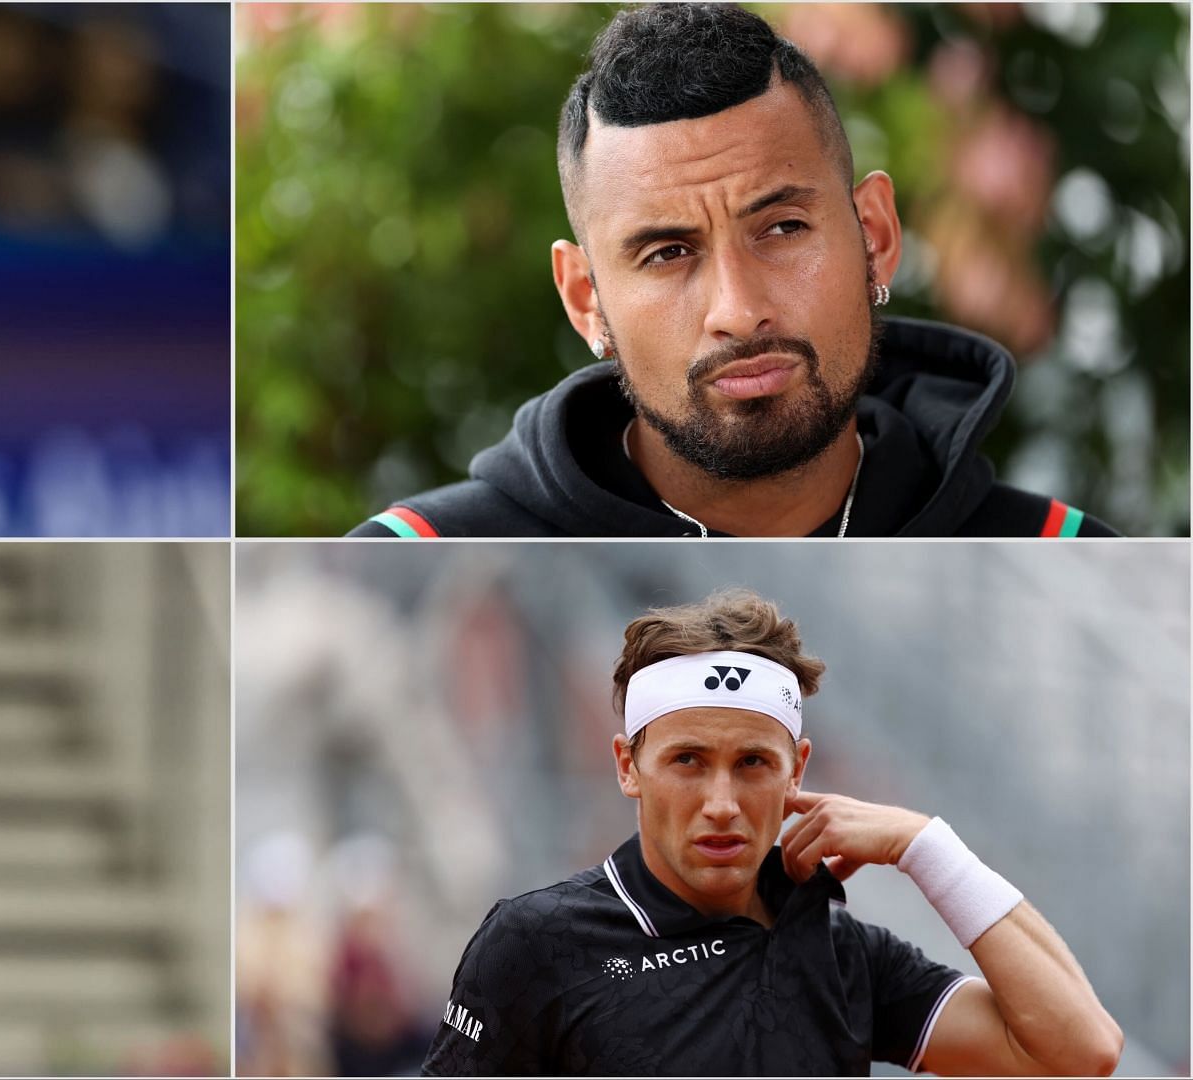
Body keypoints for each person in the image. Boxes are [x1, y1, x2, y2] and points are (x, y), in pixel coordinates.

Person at [351, 5, 1115, 538]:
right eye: (668, 253)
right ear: (587, 301)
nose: (739, 309)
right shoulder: (416, 562)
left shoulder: (1071, 557)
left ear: (875, 234)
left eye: (782, 228)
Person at [423, 589, 1122, 1076]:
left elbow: (1081, 1049)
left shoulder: (842, 950)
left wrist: (925, 846)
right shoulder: (534, 942)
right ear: (628, 767)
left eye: (753, 763)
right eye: (688, 761)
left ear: (798, 772)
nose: (722, 802)